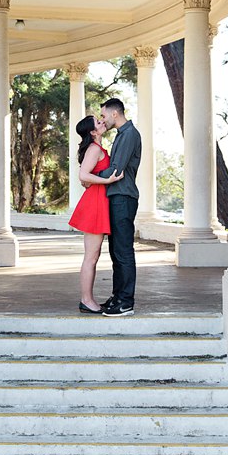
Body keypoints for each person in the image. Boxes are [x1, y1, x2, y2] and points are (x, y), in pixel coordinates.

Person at [68, 113, 125, 314]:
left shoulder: (97, 148)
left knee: (93, 255)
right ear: (93, 132)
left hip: (98, 202)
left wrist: (95, 181)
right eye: (98, 122)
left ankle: (88, 298)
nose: (102, 122)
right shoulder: (94, 148)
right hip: (95, 204)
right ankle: (86, 300)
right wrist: (108, 181)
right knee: (91, 257)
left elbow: (88, 177)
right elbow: (83, 175)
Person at [94, 97, 143, 316]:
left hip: (123, 197)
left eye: (104, 115)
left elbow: (116, 170)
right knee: (116, 251)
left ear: (115, 113)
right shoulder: (123, 135)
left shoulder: (129, 134)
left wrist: (90, 176)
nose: (103, 120)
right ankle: (118, 296)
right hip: (117, 197)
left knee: (123, 251)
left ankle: (125, 302)